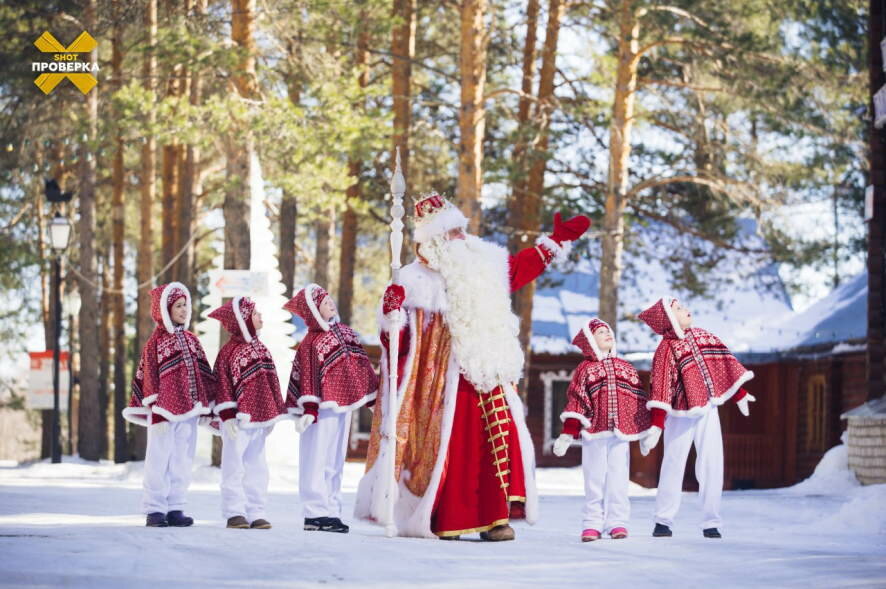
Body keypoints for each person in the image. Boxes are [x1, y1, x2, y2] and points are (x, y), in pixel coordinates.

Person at [355, 193, 590, 540]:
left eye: (461, 230)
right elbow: (398, 346)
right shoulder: (413, 279)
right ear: (434, 240)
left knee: (501, 439)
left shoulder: (484, 265)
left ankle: (496, 519)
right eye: (452, 233)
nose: (461, 238)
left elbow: (520, 268)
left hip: (489, 369)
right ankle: (448, 520)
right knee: (454, 447)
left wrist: (555, 242)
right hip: (443, 382)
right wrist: (391, 316)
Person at [638, 297, 756, 539]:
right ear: (668, 320)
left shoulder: (703, 336)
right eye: (678, 309)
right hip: (679, 413)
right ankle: (663, 520)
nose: (686, 310)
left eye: (683, 306)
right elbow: (661, 385)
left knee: (712, 462)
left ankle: (711, 521)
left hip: (707, 409)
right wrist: (658, 423)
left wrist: (740, 393)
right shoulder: (666, 349)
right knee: (674, 461)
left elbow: (722, 364)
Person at [284, 284, 378, 533]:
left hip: (343, 406)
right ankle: (315, 512)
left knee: (335, 460)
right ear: (313, 311)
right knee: (316, 457)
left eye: (329, 300)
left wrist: (372, 398)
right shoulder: (311, 342)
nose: (331, 304)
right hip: (319, 409)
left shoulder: (346, 334)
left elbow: (361, 366)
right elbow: (308, 376)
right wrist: (309, 407)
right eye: (324, 303)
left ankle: (332, 509)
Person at [552, 319, 654, 542]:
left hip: (621, 434)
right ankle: (592, 523)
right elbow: (578, 400)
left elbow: (637, 399)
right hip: (594, 433)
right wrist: (568, 432)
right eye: (600, 332)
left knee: (618, 478)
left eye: (608, 330)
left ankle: (617, 522)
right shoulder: (585, 370)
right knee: (594, 479)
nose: (607, 333)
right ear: (590, 341)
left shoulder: (626, 367)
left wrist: (645, 432)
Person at [123, 282, 215, 527]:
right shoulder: (156, 342)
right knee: (159, 458)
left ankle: (176, 506)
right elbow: (150, 376)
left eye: (186, 305)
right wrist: (156, 408)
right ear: (164, 309)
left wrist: (206, 405)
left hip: (189, 409)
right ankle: (155, 509)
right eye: (178, 305)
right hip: (163, 412)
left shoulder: (192, 341)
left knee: (183, 458)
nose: (184, 310)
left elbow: (204, 373)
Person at [210, 296, 287, 530]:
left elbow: (271, 381)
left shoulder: (262, 350)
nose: (260, 317)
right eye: (254, 314)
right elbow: (221, 384)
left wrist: (274, 411)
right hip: (236, 420)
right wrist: (226, 415)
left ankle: (256, 511)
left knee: (257, 466)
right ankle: (234, 511)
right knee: (234, 465)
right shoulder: (228, 353)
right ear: (241, 320)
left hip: (259, 418)